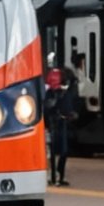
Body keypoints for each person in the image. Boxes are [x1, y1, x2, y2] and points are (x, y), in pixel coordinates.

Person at [45, 51, 83, 187]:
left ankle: (58, 176)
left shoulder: (60, 93)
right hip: (55, 122)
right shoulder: (57, 92)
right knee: (55, 151)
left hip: (59, 122)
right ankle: (54, 176)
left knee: (60, 151)